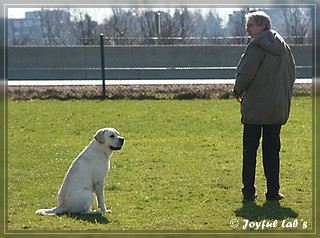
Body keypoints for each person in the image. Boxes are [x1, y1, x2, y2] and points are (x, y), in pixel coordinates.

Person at [233, 11, 296, 201]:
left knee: (250, 150)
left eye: (251, 25)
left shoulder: (255, 47)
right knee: (272, 150)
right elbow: (292, 73)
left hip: (255, 107)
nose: (247, 29)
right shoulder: (284, 47)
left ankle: (249, 191)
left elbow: (245, 73)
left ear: (262, 26)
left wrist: (237, 91)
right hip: (276, 106)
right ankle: (273, 191)